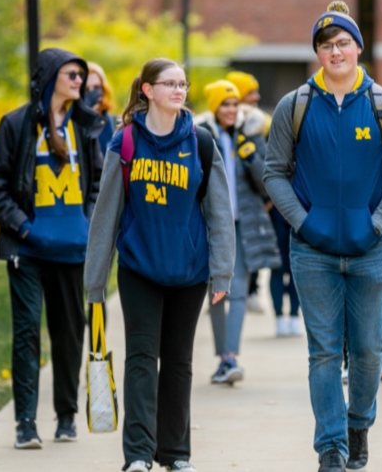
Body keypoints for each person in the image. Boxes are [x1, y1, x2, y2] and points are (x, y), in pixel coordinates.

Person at [264, 0, 382, 472]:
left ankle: (358, 425)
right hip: (312, 252)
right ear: (317, 53)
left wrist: (378, 222)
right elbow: (274, 174)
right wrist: (304, 223)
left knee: (369, 351)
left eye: (343, 43)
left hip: (371, 250)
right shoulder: (296, 105)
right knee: (324, 351)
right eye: (327, 46)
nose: (336, 52)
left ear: (358, 48)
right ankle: (330, 445)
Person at [83, 58, 235, 472]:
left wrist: (222, 271)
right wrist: (95, 280)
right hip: (139, 269)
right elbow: (106, 214)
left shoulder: (201, 142)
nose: (179, 90)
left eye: (183, 84)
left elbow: (219, 212)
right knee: (141, 359)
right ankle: (137, 454)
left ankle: (175, 453)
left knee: (179, 362)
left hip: (189, 271)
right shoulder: (126, 141)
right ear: (147, 90)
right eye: (169, 84)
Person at [0, 47, 103, 450]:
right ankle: (25, 423)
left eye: (80, 76)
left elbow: (100, 183)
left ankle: (66, 416)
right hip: (27, 253)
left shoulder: (85, 126)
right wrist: (25, 230)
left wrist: (87, 223)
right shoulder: (16, 125)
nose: (78, 82)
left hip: (73, 252)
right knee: (27, 335)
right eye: (71, 74)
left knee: (70, 334)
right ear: (49, 77)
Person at [196, 80, 280, 384]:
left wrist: (251, 157)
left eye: (234, 104)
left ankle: (230, 357)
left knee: (240, 290)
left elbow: (267, 182)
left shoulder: (251, 135)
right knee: (217, 291)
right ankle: (224, 358)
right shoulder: (202, 138)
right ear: (214, 107)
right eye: (225, 104)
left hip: (244, 224)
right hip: (213, 225)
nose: (231, 110)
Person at [226, 70, 272, 315]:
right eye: (250, 92)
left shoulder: (259, 124)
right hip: (227, 202)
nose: (256, 96)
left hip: (253, 199)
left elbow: (267, 165)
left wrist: (267, 198)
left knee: (253, 246)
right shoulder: (215, 127)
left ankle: (252, 290)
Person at [85, 62, 118, 155]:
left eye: (96, 87)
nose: (92, 93)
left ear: (103, 89)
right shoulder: (75, 125)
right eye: (86, 89)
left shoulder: (115, 124)